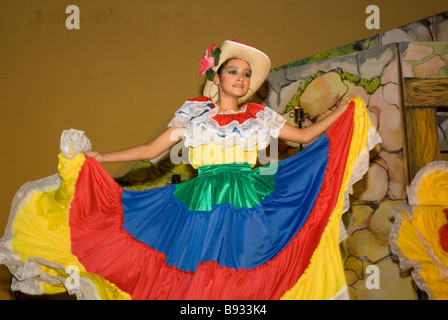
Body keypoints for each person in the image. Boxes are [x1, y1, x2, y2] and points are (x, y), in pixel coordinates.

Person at [0, 40, 379, 300]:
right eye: (234, 71)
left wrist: (345, 112)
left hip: (250, 204)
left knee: (245, 277)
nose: (241, 79)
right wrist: (104, 158)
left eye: (247, 75)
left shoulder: (260, 116)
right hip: (198, 204)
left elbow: (308, 136)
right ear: (217, 77)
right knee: (194, 282)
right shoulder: (195, 114)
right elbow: (152, 150)